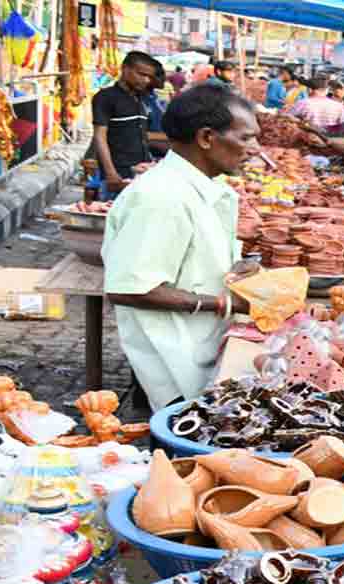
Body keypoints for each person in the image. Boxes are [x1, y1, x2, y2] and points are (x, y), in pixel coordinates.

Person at [102, 84, 260, 411]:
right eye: (245, 138)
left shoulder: (205, 189)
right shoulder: (161, 197)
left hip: (200, 347)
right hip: (173, 361)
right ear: (206, 138)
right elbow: (130, 288)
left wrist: (235, 270)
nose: (255, 148)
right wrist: (223, 303)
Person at [91, 51, 156, 197]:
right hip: (118, 176)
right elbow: (100, 137)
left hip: (141, 174)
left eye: (149, 77)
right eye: (141, 74)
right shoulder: (105, 97)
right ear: (125, 69)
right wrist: (110, 173)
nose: (146, 80)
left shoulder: (141, 99)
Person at [142, 57, 169, 158]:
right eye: (159, 75)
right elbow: (141, 134)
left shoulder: (154, 98)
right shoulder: (141, 101)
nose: (164, 78)